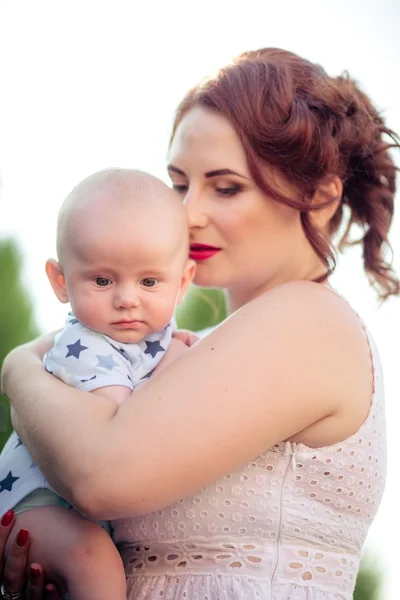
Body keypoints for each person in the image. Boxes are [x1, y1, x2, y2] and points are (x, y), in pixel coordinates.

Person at [1, 47, 399, 600]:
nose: (188, 213)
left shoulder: (308, 319)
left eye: (226, 186)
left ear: (319, 195)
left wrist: (18, 368)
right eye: (179, 183)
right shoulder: (190, 345)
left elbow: (100, 475)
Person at [0, 169, 195, 599]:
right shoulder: (83, 344)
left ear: (181, 283)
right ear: (60, 281)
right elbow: (121, 432)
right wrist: (177, 366)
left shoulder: (154, 335)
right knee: (95, 561)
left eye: (148, 281)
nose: (127, 298)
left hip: (75, 505)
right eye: (103, 280)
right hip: (34, 503)